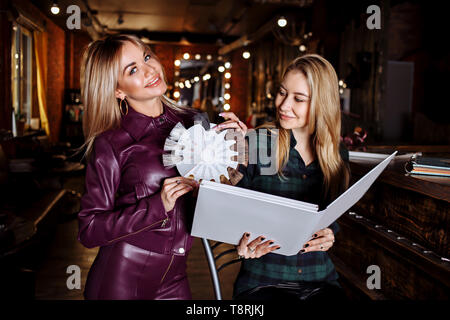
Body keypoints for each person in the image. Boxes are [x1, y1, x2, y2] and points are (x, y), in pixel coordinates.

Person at [77, 34, 203, 300]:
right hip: (121, 279)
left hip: (176, 275)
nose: (149, 70)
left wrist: (236, 147)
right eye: (133, 69)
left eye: (146, 57)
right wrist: (158, 206)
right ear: (117, 90)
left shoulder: (194, 123)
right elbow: (89, 229)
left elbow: (220, 192)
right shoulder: (111, 143)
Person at [216, 54, 350, 300]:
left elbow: (334, 217)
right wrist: (230, 150)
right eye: (281, 92)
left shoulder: (337, 155)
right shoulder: (257, 144)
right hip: (263, 281)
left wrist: (329, 233)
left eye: (298, 99)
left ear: (322, 104)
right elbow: (225, 209)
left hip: (319, 279)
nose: (283, 105)